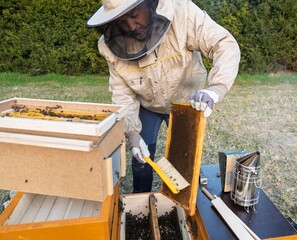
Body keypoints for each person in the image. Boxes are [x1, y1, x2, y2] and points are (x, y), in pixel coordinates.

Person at [87, 0, 240, 193]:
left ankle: (183, 200)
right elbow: (122, 92)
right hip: (147, 105)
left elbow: (223, 44)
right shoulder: (111, 46)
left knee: (184, 158)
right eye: (123, 21)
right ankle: (141, 198)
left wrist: (216, 88)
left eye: (134, 16)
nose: (131, 27)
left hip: (186, 102)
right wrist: (132, 134)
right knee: (141, 160)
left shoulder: (183, 13)